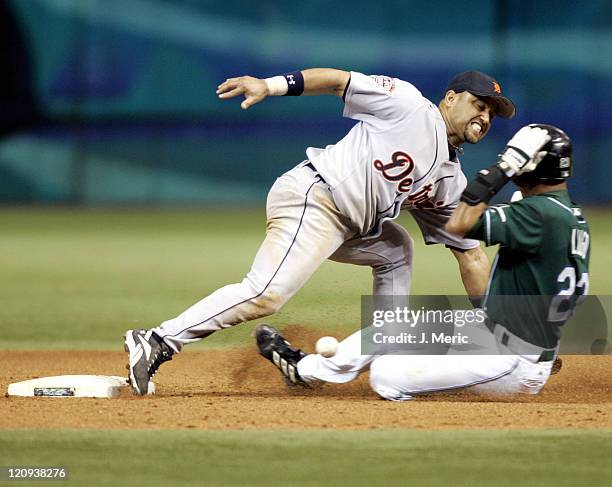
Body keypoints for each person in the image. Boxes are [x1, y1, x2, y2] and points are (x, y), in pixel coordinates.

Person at [124, 68, 516, 395]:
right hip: (315, 197)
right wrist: (271, 85)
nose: (484, 116)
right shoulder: (409, 105)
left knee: (396, 249)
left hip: (350, 225)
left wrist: (501, 330)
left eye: (491, 114)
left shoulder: (450, 180)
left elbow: (471, 255)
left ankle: (384, 357)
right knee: (265, 295)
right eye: (479, 105)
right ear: (451, 98)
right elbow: (337, 81)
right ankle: (157, 340)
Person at [255, 124, 590, 400]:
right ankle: (304, 370)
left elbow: (459, 223)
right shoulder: (569, 216)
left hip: (510, 361)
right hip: (498, 334)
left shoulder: (538, 214)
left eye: (518, 159)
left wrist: (501, 171)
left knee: (386, 377)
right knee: (390, 330)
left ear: (530, 166)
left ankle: (437, 390)